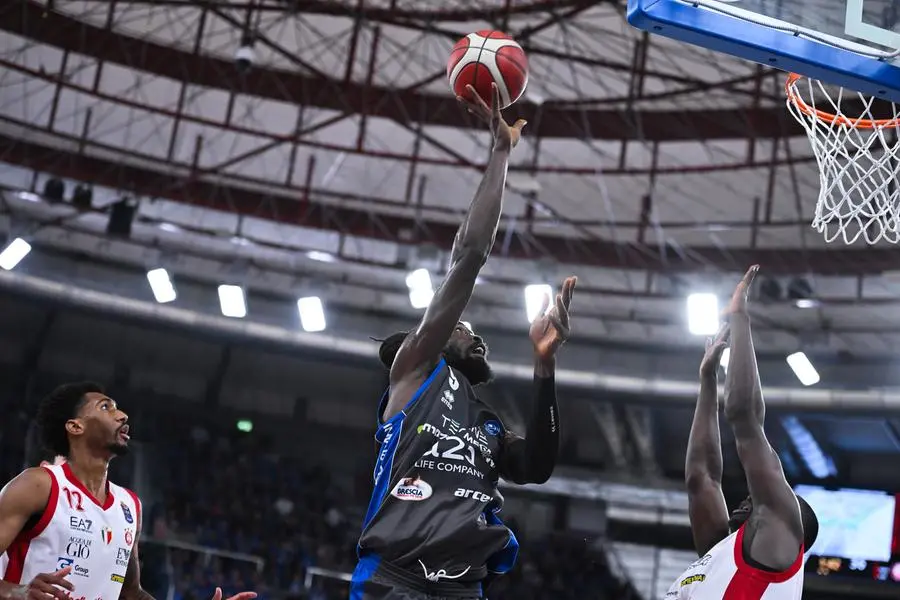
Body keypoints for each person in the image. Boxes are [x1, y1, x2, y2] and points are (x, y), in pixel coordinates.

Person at [351, 84, 575, 600]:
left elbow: (537, 468)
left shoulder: (489, 424)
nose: (474, 333)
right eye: (463, 327)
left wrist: (545, 368)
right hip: (394, 580)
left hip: (464, 588)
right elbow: (469, 256)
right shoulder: (415, 368)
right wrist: (500, 154)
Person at [0, 382, 257, 600]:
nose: (122, 415)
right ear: (75, 427)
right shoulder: (38, 485)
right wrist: (19, 593)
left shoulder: (129, 505)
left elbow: (130, 593)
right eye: (105, 407)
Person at [670, 266, 819, 599]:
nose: (747, 499)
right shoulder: (719, 553)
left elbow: (745, 418)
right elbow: (701, 478)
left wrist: (740, 319)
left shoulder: (777, 543)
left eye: (758, 502)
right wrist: (707, 382)